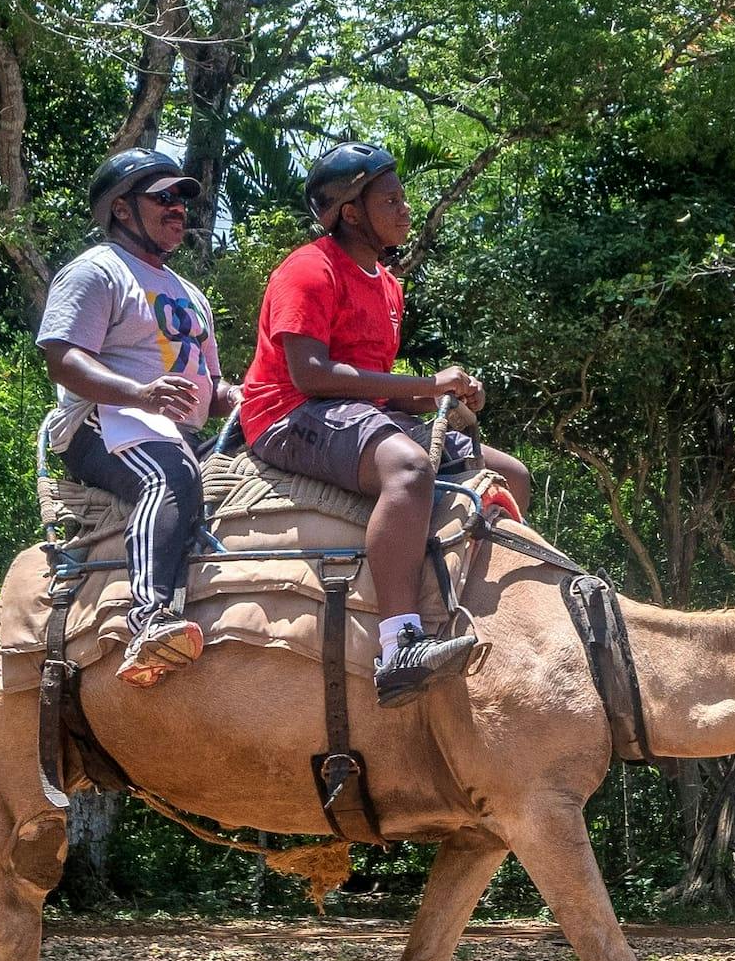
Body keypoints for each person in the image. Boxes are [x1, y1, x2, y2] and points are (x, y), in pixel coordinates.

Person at [240, 139, 524, 703]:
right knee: (409, 468)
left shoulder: (388, 285)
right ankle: (399, 645)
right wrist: (425, 387)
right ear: (351, 212)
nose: (404, 209)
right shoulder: (308, 270)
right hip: (287, 415)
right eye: (390, 200)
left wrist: (448, 396)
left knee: (510, 473)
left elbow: (372, 382)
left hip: (351, 415)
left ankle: (490, 617)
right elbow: (312, 376)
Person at [36, 146, 225, 688]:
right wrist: (140, 395)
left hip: (175, 427)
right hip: (102, 420)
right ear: (122, 209)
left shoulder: (191, 294)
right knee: (169, 475)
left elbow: (209, 387)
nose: (178, 208)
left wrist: (244, 397)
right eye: (162, 197)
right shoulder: (97, 272)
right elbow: (64, 358)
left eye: (182, 199)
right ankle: (149, 619)